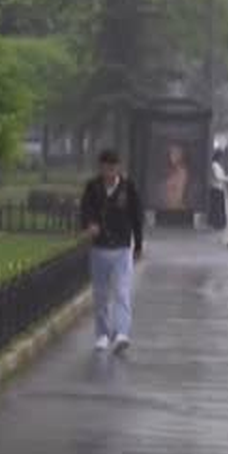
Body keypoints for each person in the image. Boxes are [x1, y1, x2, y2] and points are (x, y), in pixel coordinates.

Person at [80, 150, 144, 354]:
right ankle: (102, 335)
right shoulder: (93, 187)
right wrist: (90, 224)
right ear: (101, 167)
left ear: (119, 167)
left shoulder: (128, 187)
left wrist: (139, 244)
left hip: (122, 248)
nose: (110, 172)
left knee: (122, 291)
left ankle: (122, 333)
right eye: (106, 167)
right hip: (99, 249)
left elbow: (136, 216)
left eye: (113, 167)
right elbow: (85, 209)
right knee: (101, 294)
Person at [162, 143, 189, 210]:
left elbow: (179, 195)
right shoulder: (172, 171)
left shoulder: (182, 172)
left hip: (176, 208)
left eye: (174, 153)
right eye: (170, 153)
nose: (171, 156)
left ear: (179, 155)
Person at [209, 149, 228, 229]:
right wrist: (226, 178)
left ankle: (219, 223)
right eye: (221, 156)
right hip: (216, 188)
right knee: (218, 208)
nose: (222, 158)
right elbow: (218, 177)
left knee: (219, 207)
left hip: (219, 188)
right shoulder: (215, 165)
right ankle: (218, 223)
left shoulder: (217, 165)